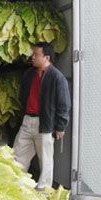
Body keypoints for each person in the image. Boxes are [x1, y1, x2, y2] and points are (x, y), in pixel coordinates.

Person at [13, 42, 71, 190]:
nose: (32, 57)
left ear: (47, 57)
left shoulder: (57, 78)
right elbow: (23, 96)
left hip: (45, 124)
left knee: (45, 162)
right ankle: (17, 187)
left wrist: (60, 127)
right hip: (27, 121)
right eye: (33, 54)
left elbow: (64, 104)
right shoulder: (29, 74)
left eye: (36, 54)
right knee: (17, 156)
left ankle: (43, 193)